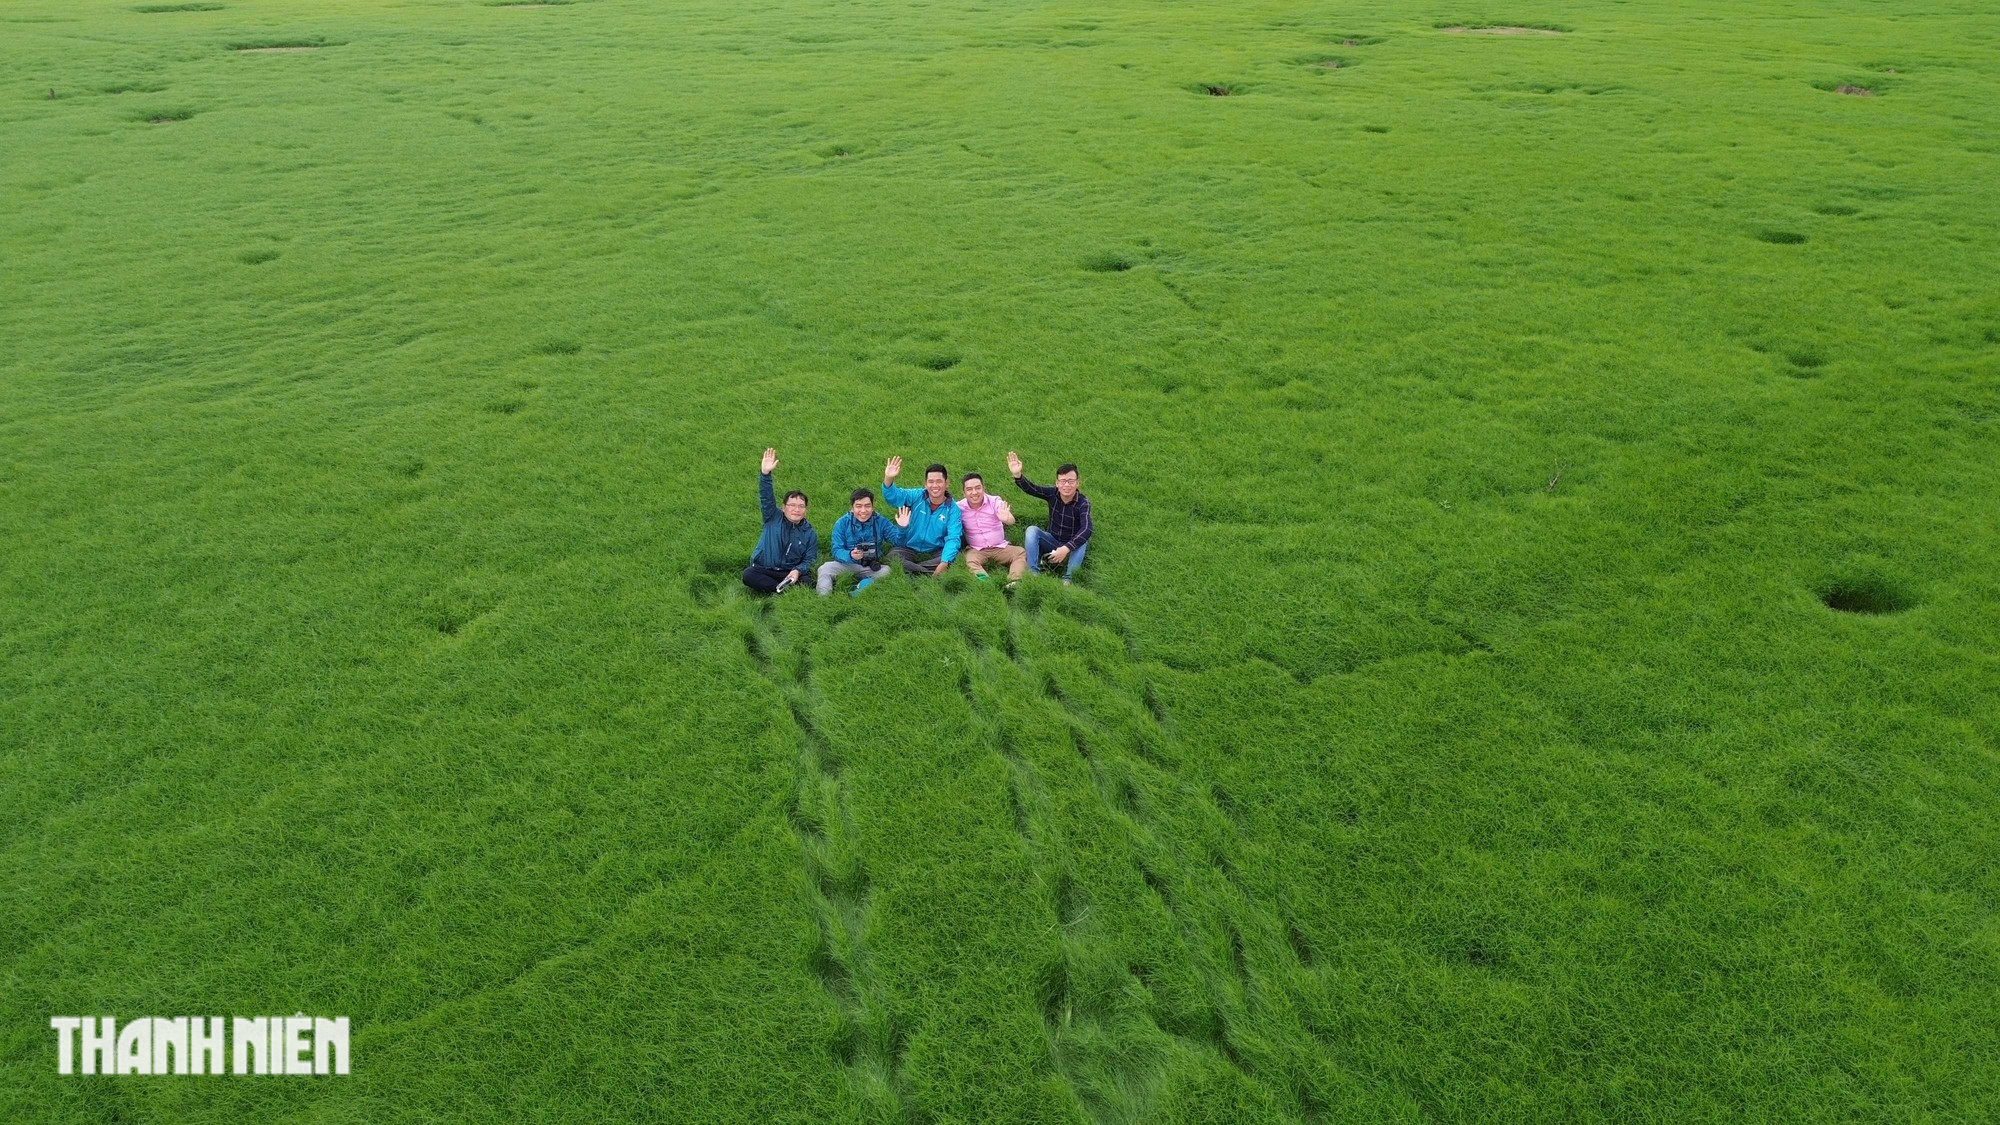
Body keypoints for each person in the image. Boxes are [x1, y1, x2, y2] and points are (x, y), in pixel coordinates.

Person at [1007, 451, 1092, 585]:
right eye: (1063, 481)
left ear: (1077, 483)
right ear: (1057, 483)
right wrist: (1018, 475)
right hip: (1052, 541)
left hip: (1071, 547)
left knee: (1083, 541)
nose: (1066, 485)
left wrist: (1066, 548)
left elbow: (1087, 528)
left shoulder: (1083, 502)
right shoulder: (1053, 493)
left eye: (1071, 481)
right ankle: (1033, 573)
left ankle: (1068, 580)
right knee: (1032, 530)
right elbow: (1033, 489)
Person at [742, 447, 817, 594]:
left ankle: (778, 589)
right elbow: (766, 497)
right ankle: (781, 592)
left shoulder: (809, 533)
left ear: (805, 510)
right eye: (792, 505)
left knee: (808, 581)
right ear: (784, 507)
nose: (796, 509)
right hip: (764, 569)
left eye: (801, 506)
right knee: (748, 575)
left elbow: (810, 559)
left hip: (789, 573)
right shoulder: (772, 517)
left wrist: (797, 571)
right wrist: (765, 474)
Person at [880, 456, 963, 577]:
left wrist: (944, 562)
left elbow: (953, 537)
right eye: (930, 481)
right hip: (909, 547)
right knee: (892, 557)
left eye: (939, 481)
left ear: (946, 483)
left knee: (952, 557)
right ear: (925, 484)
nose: (935, 485)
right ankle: (926, 572)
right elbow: (894, 497)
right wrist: (888, 478)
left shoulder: (953, 509)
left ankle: (914, 570)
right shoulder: (916, 496)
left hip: (935, 550)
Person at [817, 488, 910, 596]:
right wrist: (850, 555)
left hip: (870, 566)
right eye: (858, 506)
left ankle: (858, 590)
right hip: (846, 563)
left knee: (887, 571)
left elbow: (898, 542)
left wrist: (903, 528)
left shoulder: (881, 522)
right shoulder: (841, 523)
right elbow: (836, 550)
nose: (863, 510)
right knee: (824, 569)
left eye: (867, 506)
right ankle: (823, 599)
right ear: (852, 507)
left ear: (872, 506)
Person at [956, 472, 1025, 587]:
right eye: (969, 489)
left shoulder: (994, 501)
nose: (974, 492)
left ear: (984, 488)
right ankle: (986, 584)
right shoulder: (958, 507)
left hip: (999, 547)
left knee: (1020, 552)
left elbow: (1010, 519)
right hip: (977, 549)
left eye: (978, 488)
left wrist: (1007, 518)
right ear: (963, 493)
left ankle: (1014, 581)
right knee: (970, 560)